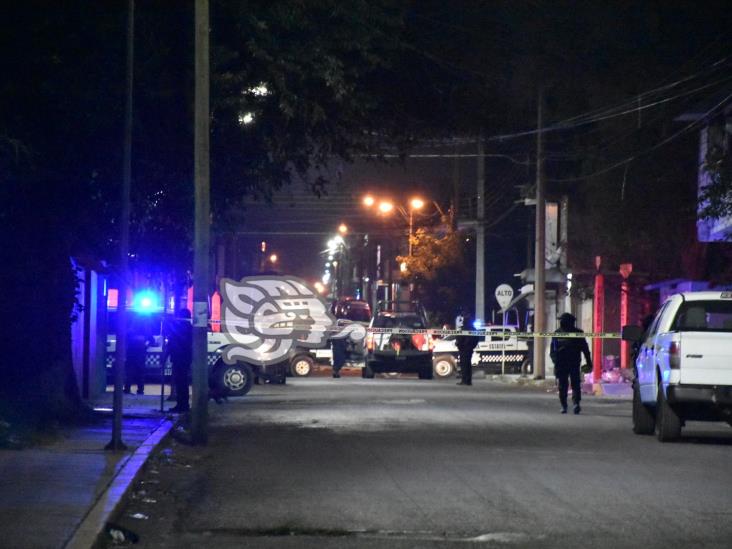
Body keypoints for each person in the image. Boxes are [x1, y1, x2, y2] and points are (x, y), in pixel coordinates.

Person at [550, 312, 592, 414]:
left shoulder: (578, 333)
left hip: (574, 363)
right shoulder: (557, 333)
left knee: (575, 384)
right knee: (563, 386)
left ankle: (576, 404)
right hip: (561, 364)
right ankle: (564, 405)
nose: (562, 323)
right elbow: (552, 351)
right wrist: (555, 360)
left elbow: (585, 349)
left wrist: (589, 362)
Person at [166, 308, 192, 413]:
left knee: (181, 383)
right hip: (183, 358)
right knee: (181, 383)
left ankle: (182, 405)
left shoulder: (182, 329)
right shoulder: (188, 328)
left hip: (180, 358)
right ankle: (182, 404)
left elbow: (173, 341)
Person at [124, 315, 149, 395]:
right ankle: (140, 390)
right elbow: (152, 341)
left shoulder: (130, 331)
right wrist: (145, 346)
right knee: (140, 373)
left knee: (130, 373)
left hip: (131, 354)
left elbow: (125, 341)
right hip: (140, 355)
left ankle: (127, 389)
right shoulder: (145, 331)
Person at [455, 312, 479, 386]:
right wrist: (472, 346)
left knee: (464, 365)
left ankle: (465, 380)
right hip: (469, 349)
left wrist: (459, 344)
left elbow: (460, 338)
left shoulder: (465, 328)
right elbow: (476, 339)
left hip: (464, 349)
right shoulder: (473, 329)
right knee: (468, 365)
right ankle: (468, 381)